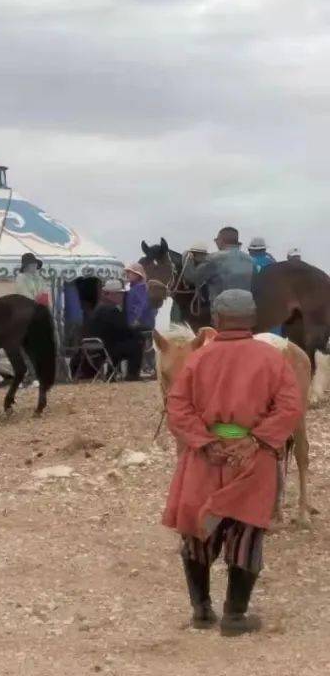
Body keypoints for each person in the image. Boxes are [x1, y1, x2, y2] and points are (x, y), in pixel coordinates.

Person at [163, 290, 304, 636]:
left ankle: (201, 612)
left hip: (204, 457)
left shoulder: (198, 360)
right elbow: (290, 407)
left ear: (218, 321)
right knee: (247, 532)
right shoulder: (272, 359)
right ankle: (235, 617)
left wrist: (205, 442)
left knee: (197, 530)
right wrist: (256, 439)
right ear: (253, 320)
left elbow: (177, 408)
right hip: (252, 456)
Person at [77, 280, 143, 381]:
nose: (121, 296)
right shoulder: (111, 310)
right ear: (112, 294)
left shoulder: (100, 308)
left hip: (95, 348)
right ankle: (132, 376)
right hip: (105, 349)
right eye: (119, 293)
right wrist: (138, 331)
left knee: (123, 343)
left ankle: (111, 374)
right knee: (136, 344)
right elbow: (124, 328)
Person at [194, 227, 256, 306]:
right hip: (247, 309)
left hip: (221, 311)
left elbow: (194, 278)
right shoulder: (251, 260)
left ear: (221, 240)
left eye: (216, 240)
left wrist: (186, 257)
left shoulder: (213, 259)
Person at [124, 262, 156, 331]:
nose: (127, 274)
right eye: (127, 272)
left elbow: (141, 307)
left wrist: (134, 321)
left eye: (130, 272)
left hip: (141, 325)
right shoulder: (134, 288)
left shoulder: (140, 289)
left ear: (138, 275)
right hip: (138, 324)